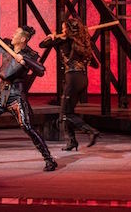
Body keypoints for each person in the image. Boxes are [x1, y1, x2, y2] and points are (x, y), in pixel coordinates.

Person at [0, 23, 57, 172]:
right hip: (2, 93)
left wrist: (23, 60)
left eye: (16, 33)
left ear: (23, 38)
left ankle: (49, 159)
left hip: (16, 95)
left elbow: (40, 70)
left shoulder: (30, 54)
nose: (13, 35)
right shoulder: (7, 45)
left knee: (27, 126)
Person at [39, 17, 100, 150]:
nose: (61, 30)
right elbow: (95, 65)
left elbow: (42, 45)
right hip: (82, 79)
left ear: (67, 30)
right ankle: (71, 141)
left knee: (64, 114)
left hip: (72, 79)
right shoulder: (82, 44)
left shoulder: (64, 39)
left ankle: (90, 131)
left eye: (63, 28)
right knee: (68, 111)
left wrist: (52, 36)